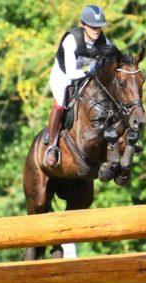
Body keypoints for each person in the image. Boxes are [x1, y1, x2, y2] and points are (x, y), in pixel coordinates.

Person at [44, 5, 113, 167]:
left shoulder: (105, 42)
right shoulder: (71, 40)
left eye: (99, 26)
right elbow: (71, 74)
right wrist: (93, 69)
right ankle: (52, 146)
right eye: (93, 26)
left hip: (86, 75)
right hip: (63, 75)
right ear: (84, 26)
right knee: (60, 104)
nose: (97, 30)